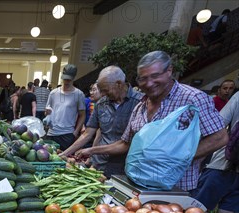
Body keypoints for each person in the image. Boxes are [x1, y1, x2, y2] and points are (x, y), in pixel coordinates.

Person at [75, 51, 227, 192]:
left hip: (175, 187)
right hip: (138, 185)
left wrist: (176, 158)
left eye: (155, 76)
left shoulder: (192, 99)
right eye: (143, 78)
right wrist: (92, 151)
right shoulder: (140, 106)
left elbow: (219, 137)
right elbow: (125, 143)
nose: (148, 83)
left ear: (169, 71)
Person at [61, 66, 143, 178]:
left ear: (119, 84)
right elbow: (87, 133)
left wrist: (92, 150)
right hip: (99, 165)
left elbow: (128, 144)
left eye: (105, 90)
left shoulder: (140, 103)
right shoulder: (101, 104)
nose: (103, 94)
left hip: (123, 170)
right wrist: (64, 154)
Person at [192, 92, 238, 213]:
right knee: (228, 209)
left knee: (199, 207)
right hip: (235, 171)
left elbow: (218, 124)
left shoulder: (238, 97)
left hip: (222, 164)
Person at [45, 64, 86, 150]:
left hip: (67, 134)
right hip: (51, 133)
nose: (66, 81)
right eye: (65, 78)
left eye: (69, 79)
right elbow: (48, 111)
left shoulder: (79, 94)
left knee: (65, 160)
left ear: (73, 78)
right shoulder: (53, 93)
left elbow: (82, 115)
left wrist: (75, 132)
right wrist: (47, 114)